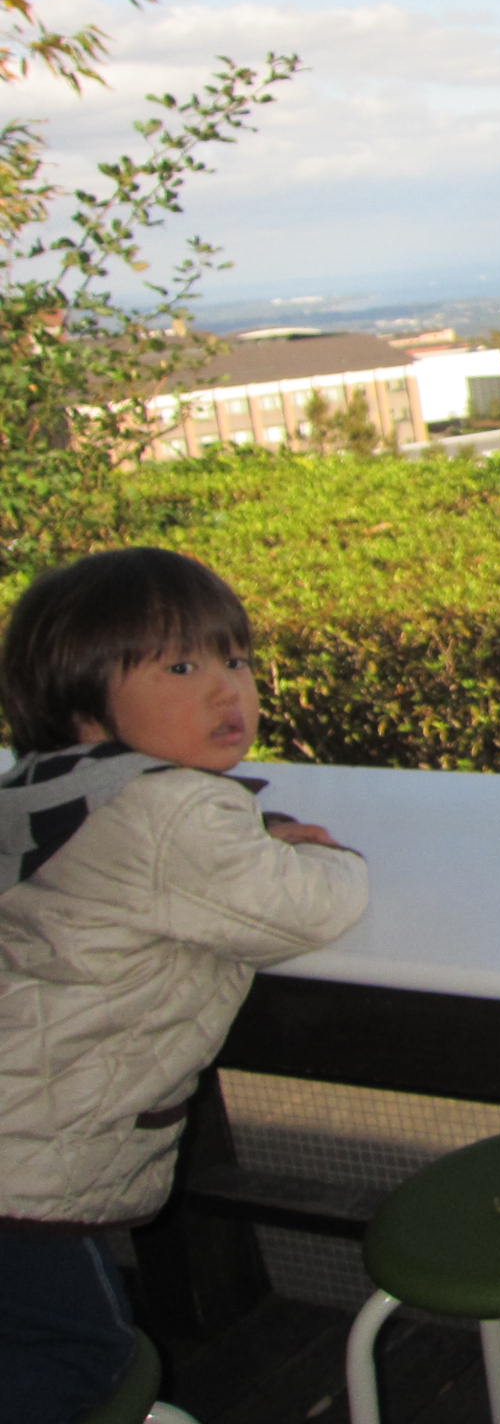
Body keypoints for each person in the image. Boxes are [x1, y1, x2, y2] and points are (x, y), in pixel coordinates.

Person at [0, 548, 368, 1423]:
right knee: (83, 1361)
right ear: (84, 700)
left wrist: (252, 830)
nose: (226, 690)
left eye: (234, 659)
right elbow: (304, 908)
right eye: (179, 668)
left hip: (18, 1122)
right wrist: (329, 856)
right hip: (26, 1160)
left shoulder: (47, 785)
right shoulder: (171, 809)